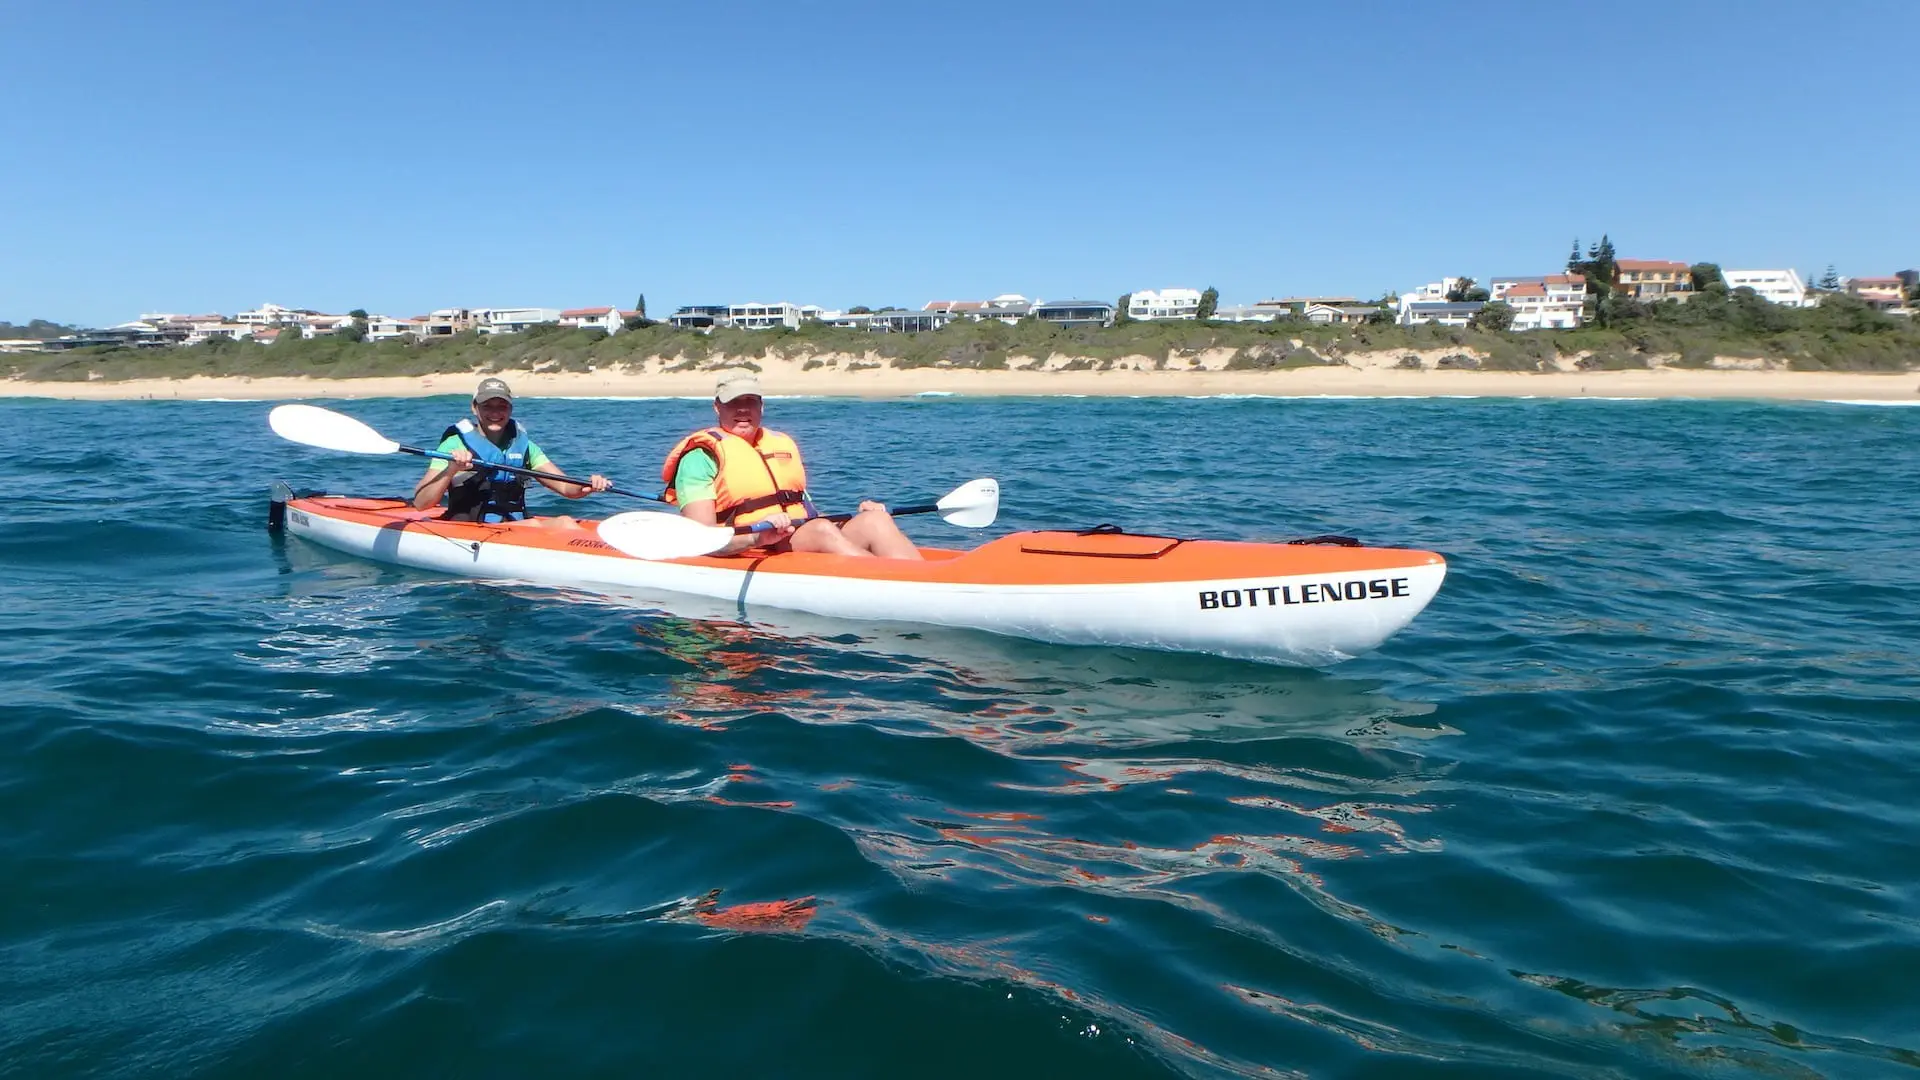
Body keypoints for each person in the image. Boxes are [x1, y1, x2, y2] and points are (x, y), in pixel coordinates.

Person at [660, 370, 923, 558]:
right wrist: (756, 536)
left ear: (761, 406)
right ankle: (893, 585)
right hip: (753, 544)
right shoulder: (699, 457)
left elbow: (807, 513)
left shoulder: (781, 443)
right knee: (820, 530)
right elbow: (702, 539)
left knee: (874, 520)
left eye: (749, 401)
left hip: (797, 535)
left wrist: (853, 518)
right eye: (733, 402)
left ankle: (920, 579)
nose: (743, 410)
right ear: (718, 407)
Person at [412, 377, 610, 522]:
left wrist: (587, 486)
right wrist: (451, 469)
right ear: (475, 408)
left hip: (514, 525)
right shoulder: (454, 444)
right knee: (563, 524)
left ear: (511, 409)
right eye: (487, 406)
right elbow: (421, 503)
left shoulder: (525, 446)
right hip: (468, 529)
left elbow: (566, 488)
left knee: (565, 522)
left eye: (502, 406)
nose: (495, 413)